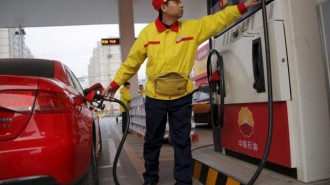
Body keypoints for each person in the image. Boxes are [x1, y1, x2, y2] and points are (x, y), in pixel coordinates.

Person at [102, 0, 261, 184]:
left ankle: (184, 182)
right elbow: (132, 63)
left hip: (182, 97)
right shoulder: (148, 34)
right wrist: (115, 84)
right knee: (152, 142)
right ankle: (150, 179)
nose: (181, 4)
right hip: (155, 98)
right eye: (176, 2)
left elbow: (219, 19)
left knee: (182, 142)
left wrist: (243, 6)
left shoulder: (191, 28)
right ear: (163, 7)